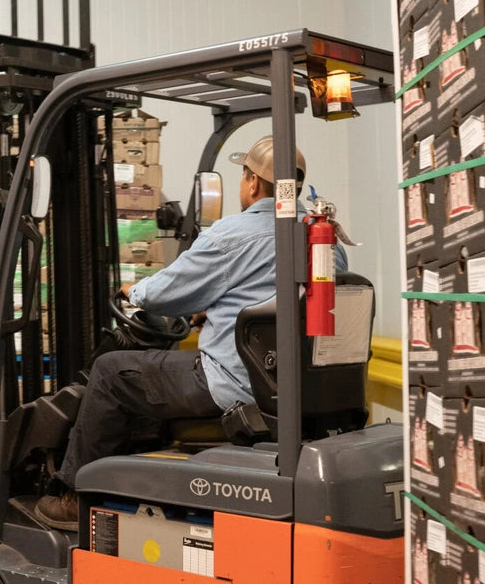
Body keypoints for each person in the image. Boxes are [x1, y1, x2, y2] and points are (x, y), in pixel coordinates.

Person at [34, 135, 350, 531]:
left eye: (243, 177)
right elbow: (282, 304)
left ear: (252, 183)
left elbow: (167, 292)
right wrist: (213, 313)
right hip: (295, 386)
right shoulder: (327, 241)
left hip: (232, 384)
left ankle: (72, 497)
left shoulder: (231, 235)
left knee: (111, 373)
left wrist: (137, 292)